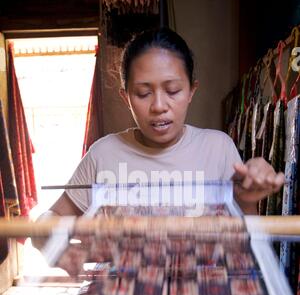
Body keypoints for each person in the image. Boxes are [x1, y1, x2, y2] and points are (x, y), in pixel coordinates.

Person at [37, 27, 285, 232]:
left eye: (173, 91)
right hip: (127, 291)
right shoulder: (104, 154)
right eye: (144, 93)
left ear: (191, 91)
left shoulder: (218, 149)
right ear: (126, 98)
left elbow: (250, 242)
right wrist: (55, 243)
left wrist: (247, 199)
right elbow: (51, 219)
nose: (158, 106)